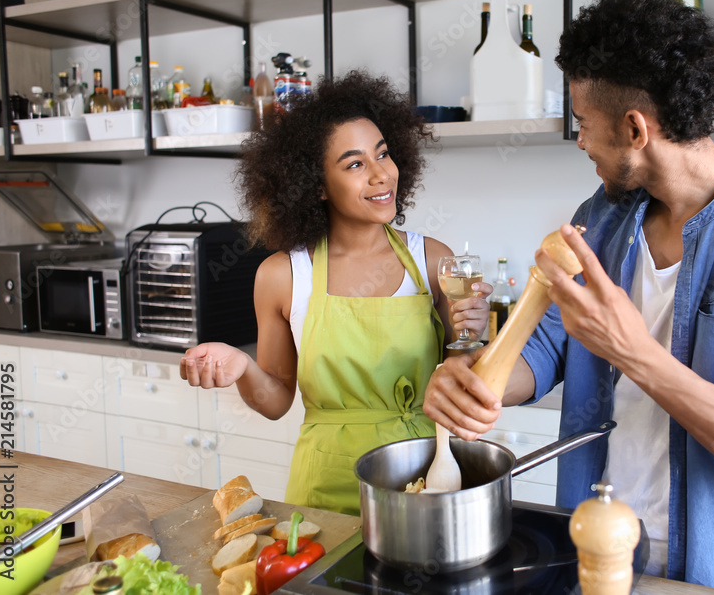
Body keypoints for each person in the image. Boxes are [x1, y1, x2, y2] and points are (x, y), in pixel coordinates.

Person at [423, 0, 714, 595]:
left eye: (583, 124)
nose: (578, 142)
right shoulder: (599, 219)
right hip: (595, 556)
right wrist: (475, 382)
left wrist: (636, 353)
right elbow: (543, 352)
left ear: (634, 128)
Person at [179, 70, 491, 516]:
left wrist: (472, 336)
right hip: (326, 487)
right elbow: (276, 401)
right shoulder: (283, 275)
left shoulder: (433, 261)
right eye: (355, 164)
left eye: (383, 154)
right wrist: (242, 366)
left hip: (426, 475)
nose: (382, 175)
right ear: (317, 186)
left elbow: (465, 380)